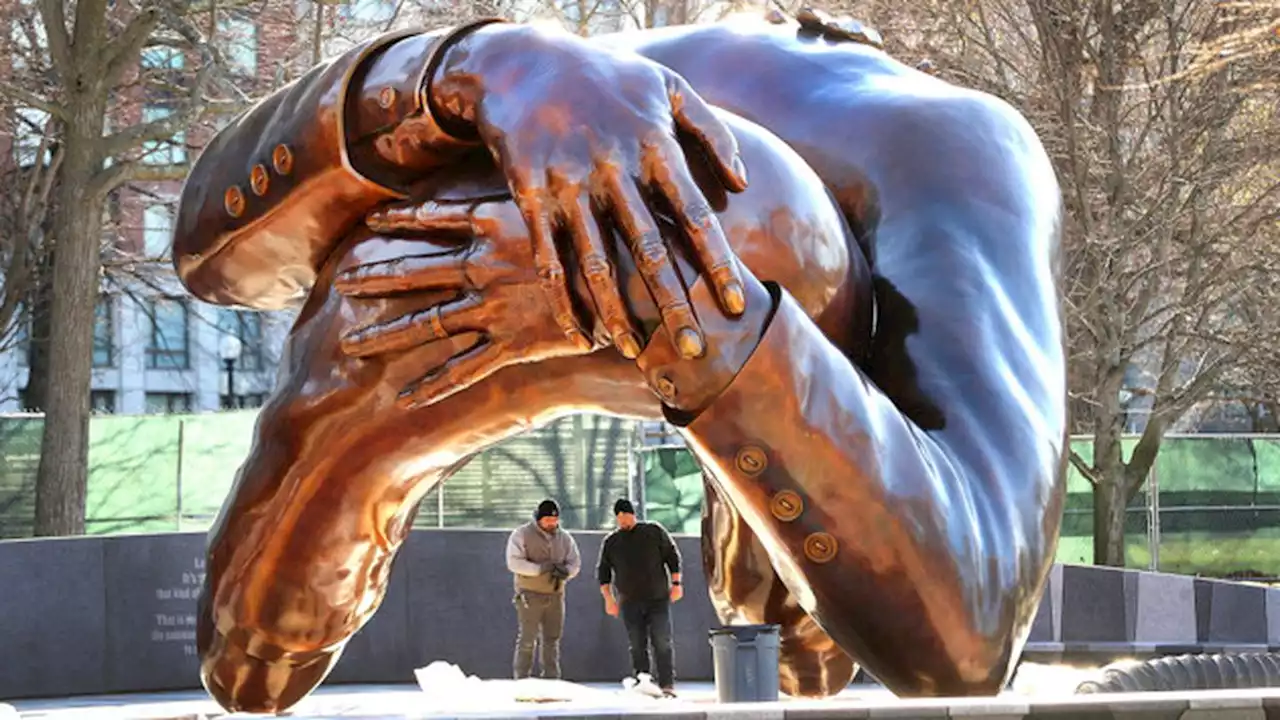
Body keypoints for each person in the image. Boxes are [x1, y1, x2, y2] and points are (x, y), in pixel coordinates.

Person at [177, 10, 1067, 714]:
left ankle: (335, 475)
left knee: (798, 649)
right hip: (556, 202)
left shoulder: (945, 150)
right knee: (795, 648)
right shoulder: (574, 87)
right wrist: (479, 67)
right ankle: (334, 474)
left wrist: (650, 288)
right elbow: (206, 251)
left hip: (773, 285)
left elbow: (967, 637)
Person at [596, 499, 682, 696]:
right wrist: (609, 599)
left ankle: (667, 684)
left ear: (632, 514)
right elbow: (603, 572)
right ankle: (642, 680)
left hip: (657, 597)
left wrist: (676, 584)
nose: (623, 521)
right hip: (629, 600)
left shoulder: (653, 531)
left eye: (625, 516)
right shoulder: (612, 542)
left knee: (662, 640)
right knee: (636, 643)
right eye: (619, 518)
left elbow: (672, 556)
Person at [506, 499, 581, 680]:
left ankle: (551, 678)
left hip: (555, 595)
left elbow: (575, 562)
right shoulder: (521, 534)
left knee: (552, 640)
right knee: (527, 639)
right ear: (539, 519)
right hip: (529, 595)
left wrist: (566, 572)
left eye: (554, 520)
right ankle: (522, 678)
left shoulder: (565, 538)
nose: (551, 523)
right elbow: (514, 562)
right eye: (547, 519)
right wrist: (540, 569)